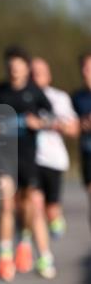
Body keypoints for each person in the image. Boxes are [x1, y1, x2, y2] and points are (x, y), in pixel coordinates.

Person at [0, 46, 55, 281]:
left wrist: (40, 122)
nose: (14, 70)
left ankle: (24, 243)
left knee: (27, 205)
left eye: (18, 65)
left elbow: (50, 116)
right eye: (10, 65)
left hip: (28, 157)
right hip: (4, 156)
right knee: (6, 204)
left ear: (26, 68)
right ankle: (5, 258)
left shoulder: (35, 92)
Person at [30, 56, 79, 240]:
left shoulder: (59, 97)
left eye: (39, 74)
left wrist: (47, 124)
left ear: (48, 76)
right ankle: (38, 251)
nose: (35, 78)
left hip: (53, 160)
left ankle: (55, 219)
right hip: (30, 159)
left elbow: (73, 128)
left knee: (51, 208)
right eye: (32, 74)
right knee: (34, 204)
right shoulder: (22, 96)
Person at [72, 52, 91, 228]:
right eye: (84, 67)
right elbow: (70, 126)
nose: (87, 71)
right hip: (88, 153)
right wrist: (82, 123)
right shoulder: (77, 97)